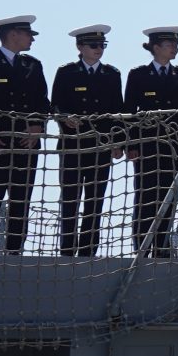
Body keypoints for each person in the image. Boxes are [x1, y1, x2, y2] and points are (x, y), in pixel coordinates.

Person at [51, 25, 124, 259]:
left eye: (102, 45)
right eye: (93, 45)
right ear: (80, 47)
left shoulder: (111, 74)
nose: (98, 49)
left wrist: (118, 142)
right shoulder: (66, 72)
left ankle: (88, 251)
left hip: (100, 147)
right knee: (70, 200)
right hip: (72, 145)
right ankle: (67, 251)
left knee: (95, 201)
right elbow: (55, 105)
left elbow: (118, 111)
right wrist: (65, 118)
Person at [124, 27, 178, 258]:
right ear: (155, 47)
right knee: (145, 197)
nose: (174, 49)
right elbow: (129, 113)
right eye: (169, 45)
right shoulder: (139, 75)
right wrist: (130, 145)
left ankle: (162, 249)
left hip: (174, 147)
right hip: (146, 147)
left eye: (176, 45)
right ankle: (141, 249)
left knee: (169, 197)